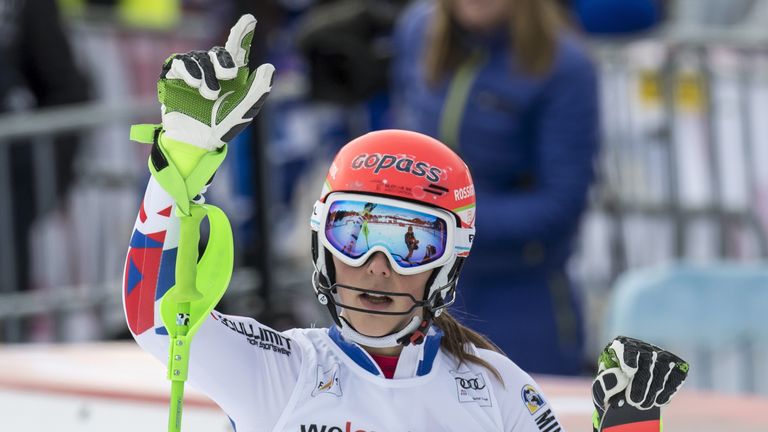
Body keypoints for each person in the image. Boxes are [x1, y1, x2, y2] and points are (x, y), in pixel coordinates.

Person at [123, 15, 687, 431]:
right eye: (354, 234)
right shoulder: (283, 369)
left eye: (411, 243)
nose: (377, 268)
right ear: (322, 245)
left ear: (450, 261)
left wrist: (627, 425)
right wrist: (181, 164)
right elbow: (152, 317)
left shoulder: (497, 388)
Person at [391, 0, 599, 375]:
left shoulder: (564, 65)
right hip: (416, 288)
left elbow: (559, 206)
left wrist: (441, 220)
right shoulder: (416, 31)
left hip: (521, 298)